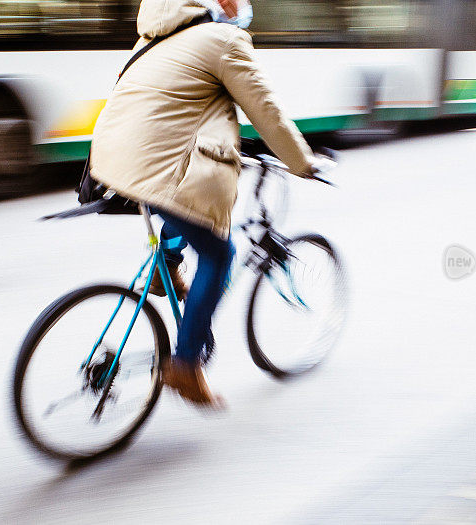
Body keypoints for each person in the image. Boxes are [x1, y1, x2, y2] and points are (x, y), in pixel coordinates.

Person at [89, 0, 320, 409]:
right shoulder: (223, 40)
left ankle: (168, 266)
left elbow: (176, 110)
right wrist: (302, 163)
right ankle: (186, 365)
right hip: (158, 168)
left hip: (115, 163)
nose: (240, 6)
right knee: (219, 253)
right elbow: (266, 110)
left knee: (181, 201)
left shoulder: (155, 38)